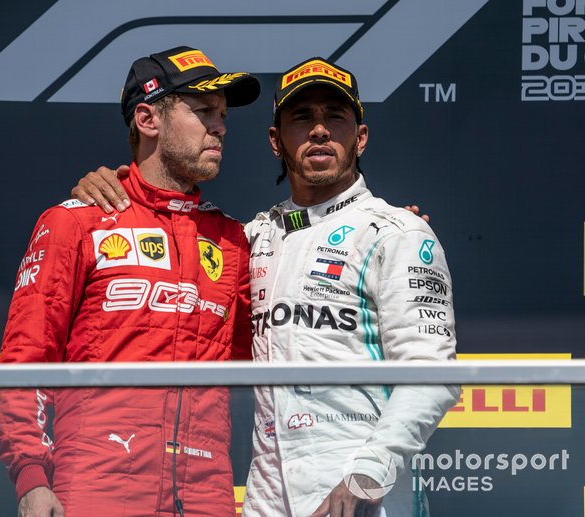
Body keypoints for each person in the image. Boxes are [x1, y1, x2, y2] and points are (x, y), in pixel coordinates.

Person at [71, 57, 459, 517]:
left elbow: (432, 374)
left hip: (364, 490)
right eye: (301, 118)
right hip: (266, 496)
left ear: (361, 137)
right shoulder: (249, 239)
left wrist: (366, 476)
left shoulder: (398, 233)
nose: (319, 130)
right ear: (276, 141)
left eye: (335, 117)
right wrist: (115, 187)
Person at [0, 46, 260, 517]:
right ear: (147, 119)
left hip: (206, 495)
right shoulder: (76, 223)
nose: (219, 127)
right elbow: (26, 362)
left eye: (221, 115)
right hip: (99, 486)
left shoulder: (234, 241)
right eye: (202, 111)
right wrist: (32, 478)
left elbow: (263, 363)